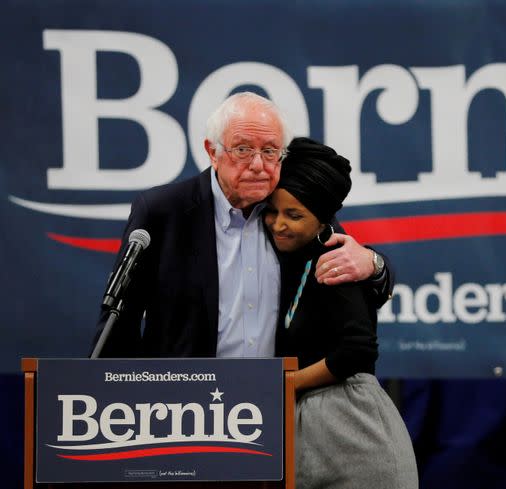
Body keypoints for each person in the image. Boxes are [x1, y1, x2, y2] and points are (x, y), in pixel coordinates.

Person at [92, 91, 392, 357]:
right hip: (182, 404)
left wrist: (373, 263)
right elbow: (120, 321)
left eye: (270, 151)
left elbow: (367, 290)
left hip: (274, 403)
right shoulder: (163, 212)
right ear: (213, 152)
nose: (258, 164)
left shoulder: (292, 211)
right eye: (243, 149)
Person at [264, 137, 418, 489]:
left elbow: (358, 351)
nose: (278, 223)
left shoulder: (338, 260)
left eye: (294, 215)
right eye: (272, 210)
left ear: (323, 222)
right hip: (301, 434)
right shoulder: (284, 256)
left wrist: (286, 385)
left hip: (354, 435)